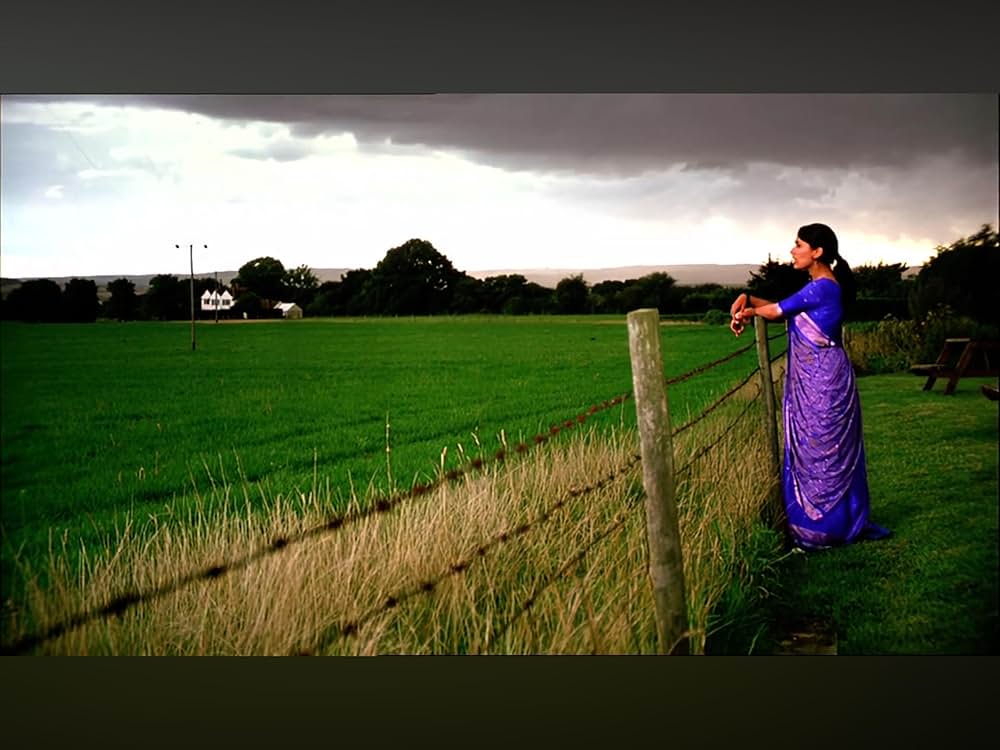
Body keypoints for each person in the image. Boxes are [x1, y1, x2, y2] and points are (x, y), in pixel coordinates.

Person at [731, 223, 891, 551]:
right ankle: (825, 522)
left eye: (798, 244)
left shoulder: (822, 288)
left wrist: (747, 310)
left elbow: (776, 310)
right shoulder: (818, 287)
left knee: (822, 448)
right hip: (814, 378)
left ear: (817, 253)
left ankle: (823, 528)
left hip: (824, 383)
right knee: (813, 448)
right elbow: (783, 308)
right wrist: (748, 300)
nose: (793, 250)